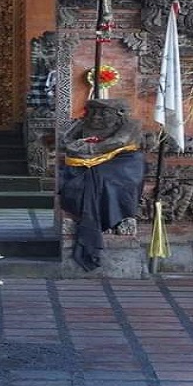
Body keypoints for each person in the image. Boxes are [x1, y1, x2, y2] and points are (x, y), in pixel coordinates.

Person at [59, 98, 144, 270]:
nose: (96, 117)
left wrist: (89, 148)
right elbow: (66, 140)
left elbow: (119, 141)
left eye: (103, 112)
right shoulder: (83, 124)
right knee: (75, 179)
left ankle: (107, 216)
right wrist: (78, 145)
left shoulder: (129, 126)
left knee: (104, 178)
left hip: (122, 164)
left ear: (119, 114)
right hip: (82, 163)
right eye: (93, 111)